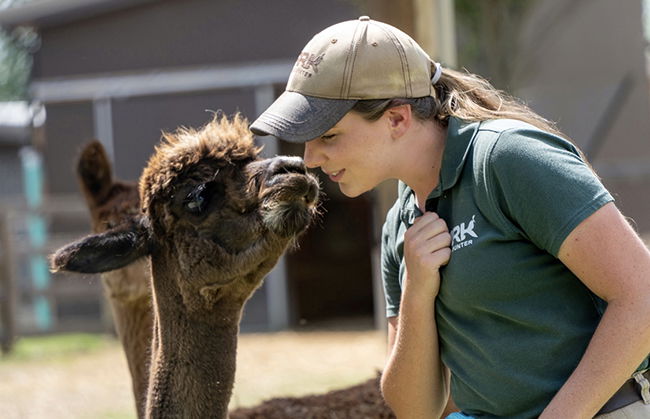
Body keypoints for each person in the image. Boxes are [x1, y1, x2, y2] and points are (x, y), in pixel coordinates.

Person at [250, 16, 650, 419]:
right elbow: (417, 410)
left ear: (397, 119)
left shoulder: (508, 160)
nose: (311, 159)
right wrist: (417, 292)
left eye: (329, 136)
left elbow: (642, 298)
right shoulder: (399, 227)